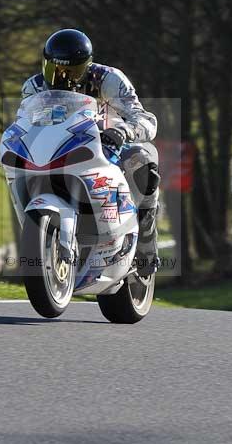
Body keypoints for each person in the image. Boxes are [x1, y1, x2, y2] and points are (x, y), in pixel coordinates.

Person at [21, 28, 161, 277]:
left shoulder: (108, 79)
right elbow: (25, 122)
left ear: (86, 66)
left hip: (108, 144)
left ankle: (146, 243)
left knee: (145, 161)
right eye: (55, 68)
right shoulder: (34, 87)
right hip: (58, 149)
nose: (62, 76)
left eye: (71, 70)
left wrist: (125, 132)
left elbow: (144, 118)